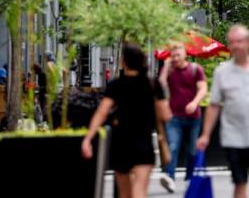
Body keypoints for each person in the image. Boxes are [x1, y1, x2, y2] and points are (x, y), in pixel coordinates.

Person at [197, 25, 249, 198]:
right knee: (240, 182)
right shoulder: (222, 72)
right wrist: (205, 134)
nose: (235, 45)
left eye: (239, 41)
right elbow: (214, 105)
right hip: (234, 137)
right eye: (232, 42)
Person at [82, 42, 171, 198]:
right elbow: (166, 115)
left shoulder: (116, 85)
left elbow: (102, 112)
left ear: (124, 61)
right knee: (139, 192)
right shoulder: (151, 84)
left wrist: (88, 138)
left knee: (124, 194)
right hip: (143, 144)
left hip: (121, 144)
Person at [158, 43, 208, 193]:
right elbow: (161, 85)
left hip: (193, 117)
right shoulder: (170, 71)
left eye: (178, 55)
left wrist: (194, 103)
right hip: (174, 117)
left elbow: (203, 88)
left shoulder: (195, 69)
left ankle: (190, 178)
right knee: (173, 146)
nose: (176, 58)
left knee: (192, 150)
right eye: (173, 56)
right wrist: (166, 67)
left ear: (185, 54)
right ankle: (170, 177)